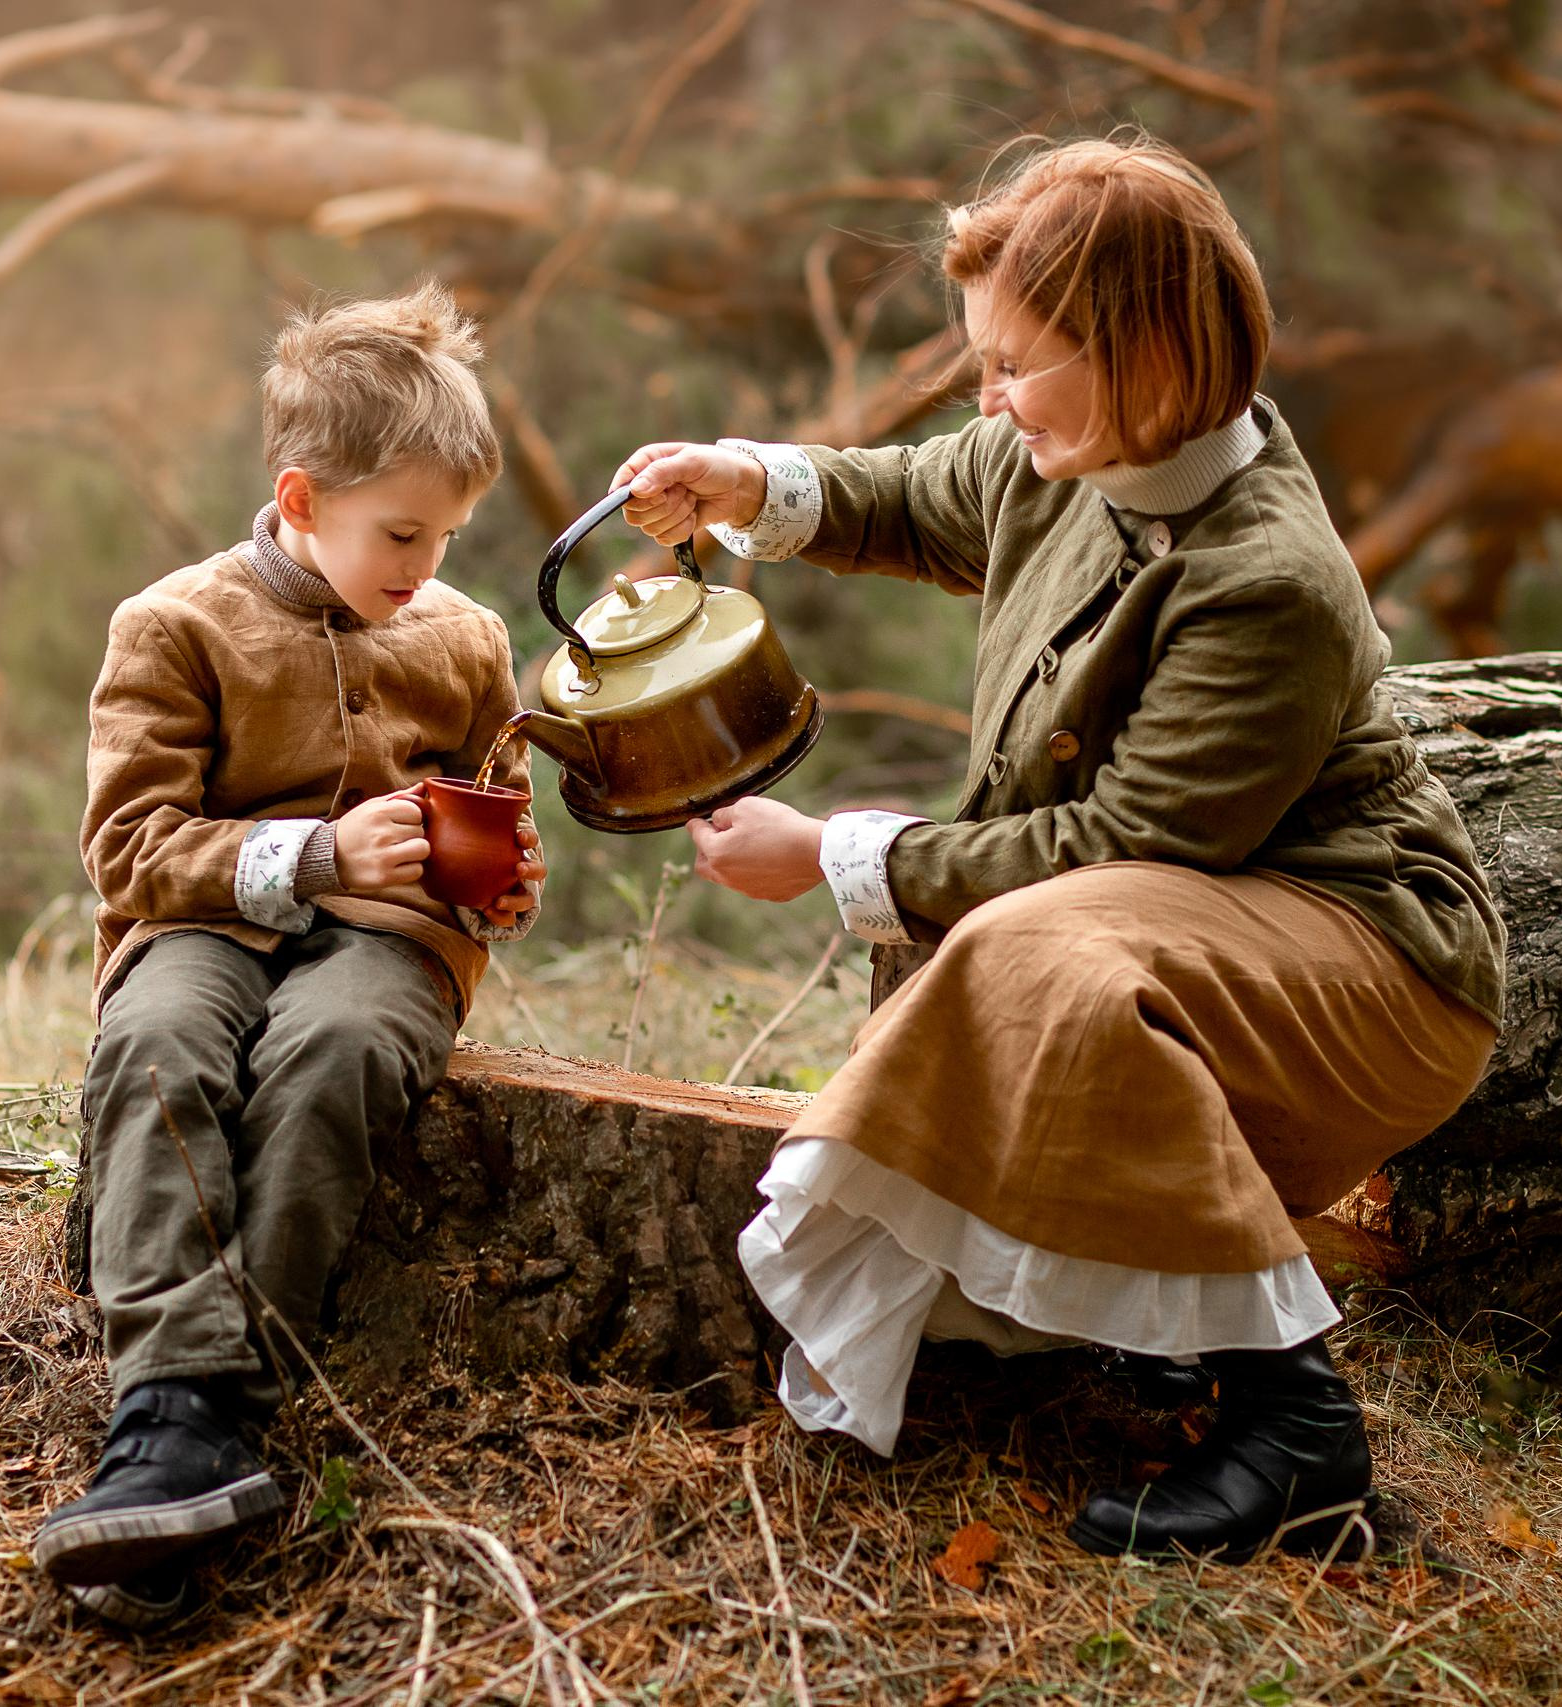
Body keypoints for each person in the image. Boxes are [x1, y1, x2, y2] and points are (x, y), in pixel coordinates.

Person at [613, 137, 1505, 1563]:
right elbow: (912, 496)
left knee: (1046, 955)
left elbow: (1116, 848)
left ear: (1142, 354)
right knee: (1042, 950)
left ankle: (1299, 1432)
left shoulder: (1265, 581)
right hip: (1186, 924)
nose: (989, 395)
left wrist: (835, 853)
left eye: (1016, 364)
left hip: (1374, 974)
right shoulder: (1079, 455)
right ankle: (1147, 1327)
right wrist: (742, 482)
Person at [37, 283, 546, 1627]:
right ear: (302, 498)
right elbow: (129, 848)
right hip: (201, 919)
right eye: (401, 534)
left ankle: (207, 1428)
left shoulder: (466, 638)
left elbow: (501, 805)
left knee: (334, 1052)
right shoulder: (175, 625)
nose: (424, 564)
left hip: (395, 942)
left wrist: (504, 878)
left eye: (448, 535)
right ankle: (167, 1406)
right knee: (160, 1047)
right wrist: (314, 856)